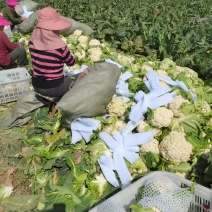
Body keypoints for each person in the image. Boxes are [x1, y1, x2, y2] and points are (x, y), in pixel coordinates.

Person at [28, 7, 76, 98]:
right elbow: (71, 63)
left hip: (36, 85)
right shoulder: (60, 47)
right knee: (79, 78)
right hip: (53, 88)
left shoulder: (32, 42)